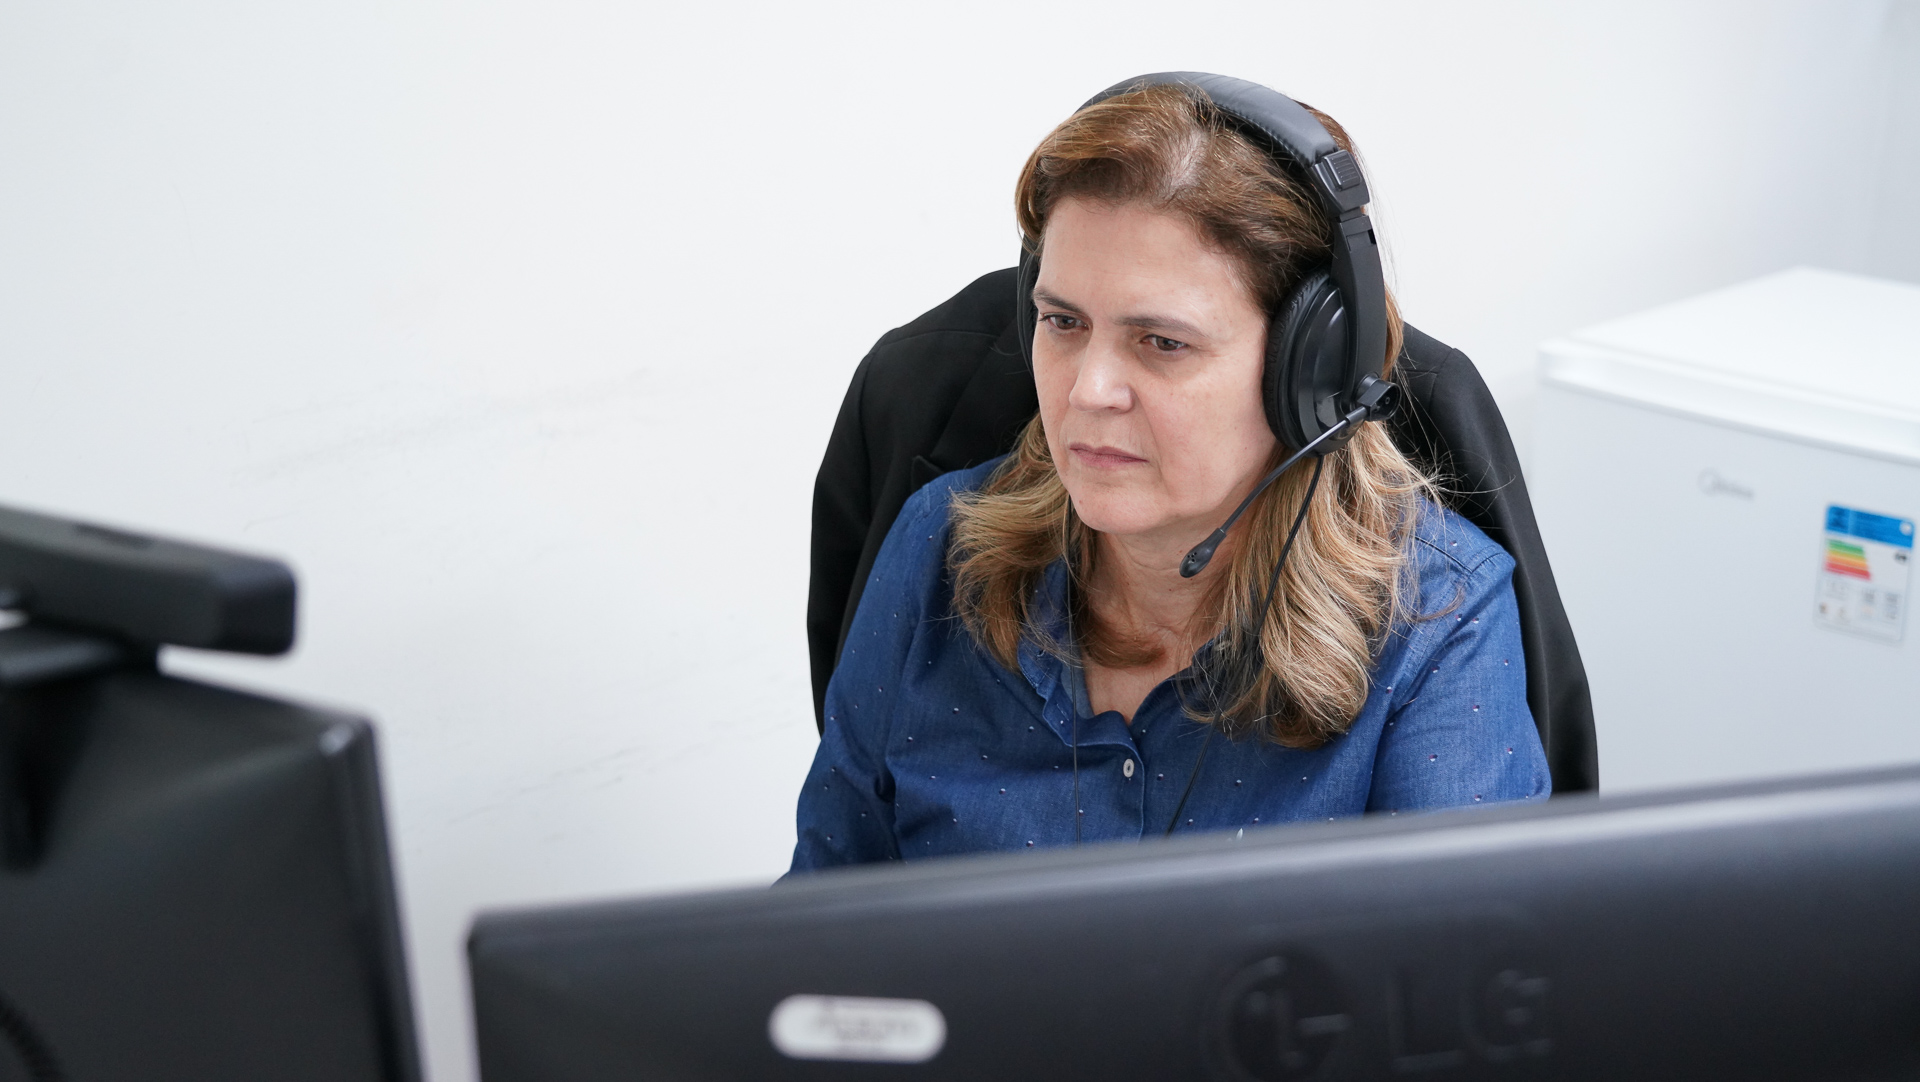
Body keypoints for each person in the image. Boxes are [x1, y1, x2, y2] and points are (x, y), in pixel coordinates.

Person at [789, 80, 1549, 872]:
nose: (1087, 392)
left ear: (1312, 373)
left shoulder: (1435, 623)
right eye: (1063, 322)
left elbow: (1459, 979)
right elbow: (820, 913)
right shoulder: (939, 546)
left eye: (1161, 342)